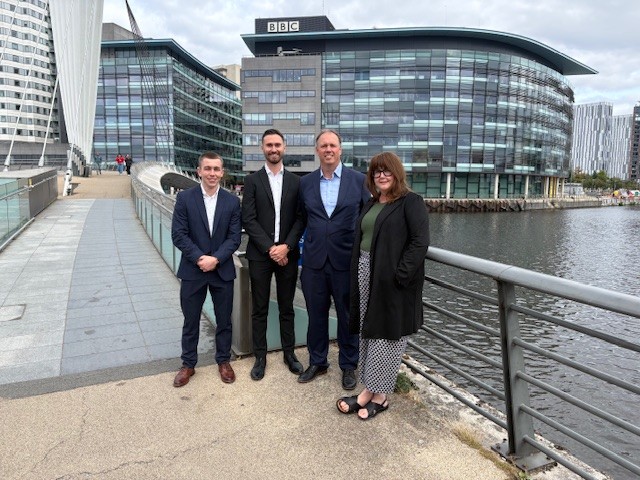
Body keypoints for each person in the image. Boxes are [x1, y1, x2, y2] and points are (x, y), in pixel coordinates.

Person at [336, 151, 429, 419]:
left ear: (397, 173)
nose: (381, 175)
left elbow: (420, 242)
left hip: (393, 282)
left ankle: (378, 395)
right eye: (377, 171)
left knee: (388, 337)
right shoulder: (372, 202)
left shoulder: (411, 202)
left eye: (387, 170)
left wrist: (399, 277)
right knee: (369, 332)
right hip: (367, 274)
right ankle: (371, 390)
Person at [298, 129, 370, 390]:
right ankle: (318, 361)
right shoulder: (305, 183)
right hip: (314, 262)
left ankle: (349, 365)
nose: (328, 150)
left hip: (346, 261)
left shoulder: (359, 180)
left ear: (340, 149)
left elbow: (368, 218)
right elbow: (301, 219)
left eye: (332, 145)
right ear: (317, 150)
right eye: (323, 146)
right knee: (315, 315)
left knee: (348, 316)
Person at [171, 151, 241, 387]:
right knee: (190, 320)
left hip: (222, 270)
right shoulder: (185, 198)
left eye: (216, 169)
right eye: (208, 168)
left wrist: (216, 259)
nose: (212, 173)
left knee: (224, 320)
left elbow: (234, 238)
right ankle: (188, 364)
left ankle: (223, 361)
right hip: (193, 270)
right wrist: (200, 258)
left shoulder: (232, 202)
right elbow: (178, 234)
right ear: (199, 171)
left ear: (222, 172)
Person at [242, 129, 305, 380]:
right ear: (262, 148)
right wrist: (271, 248)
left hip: (288, 254)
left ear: (284, 147)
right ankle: (260, 357)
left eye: (277, 144)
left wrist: (286, 247)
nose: (273, 149)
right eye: (269, 145)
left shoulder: (297, 182)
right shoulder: (252, 181)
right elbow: (248, 219)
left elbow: (301, 218)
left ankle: (289, 354)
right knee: (259, 308)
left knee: (287, 307)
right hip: (260, 254)